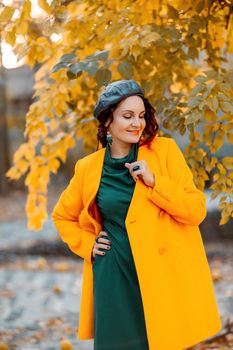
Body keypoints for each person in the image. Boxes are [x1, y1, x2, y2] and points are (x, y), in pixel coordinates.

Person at [52, 79, 222, 350]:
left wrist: (156, 183)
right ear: (108, 121)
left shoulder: (164, 152)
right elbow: (62, 216)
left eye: (141, 116)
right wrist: (89, 246)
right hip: (113, 273)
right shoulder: (88, 167)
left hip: (160, 276)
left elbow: (196, 211)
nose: (137, 123)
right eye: (127, 116)